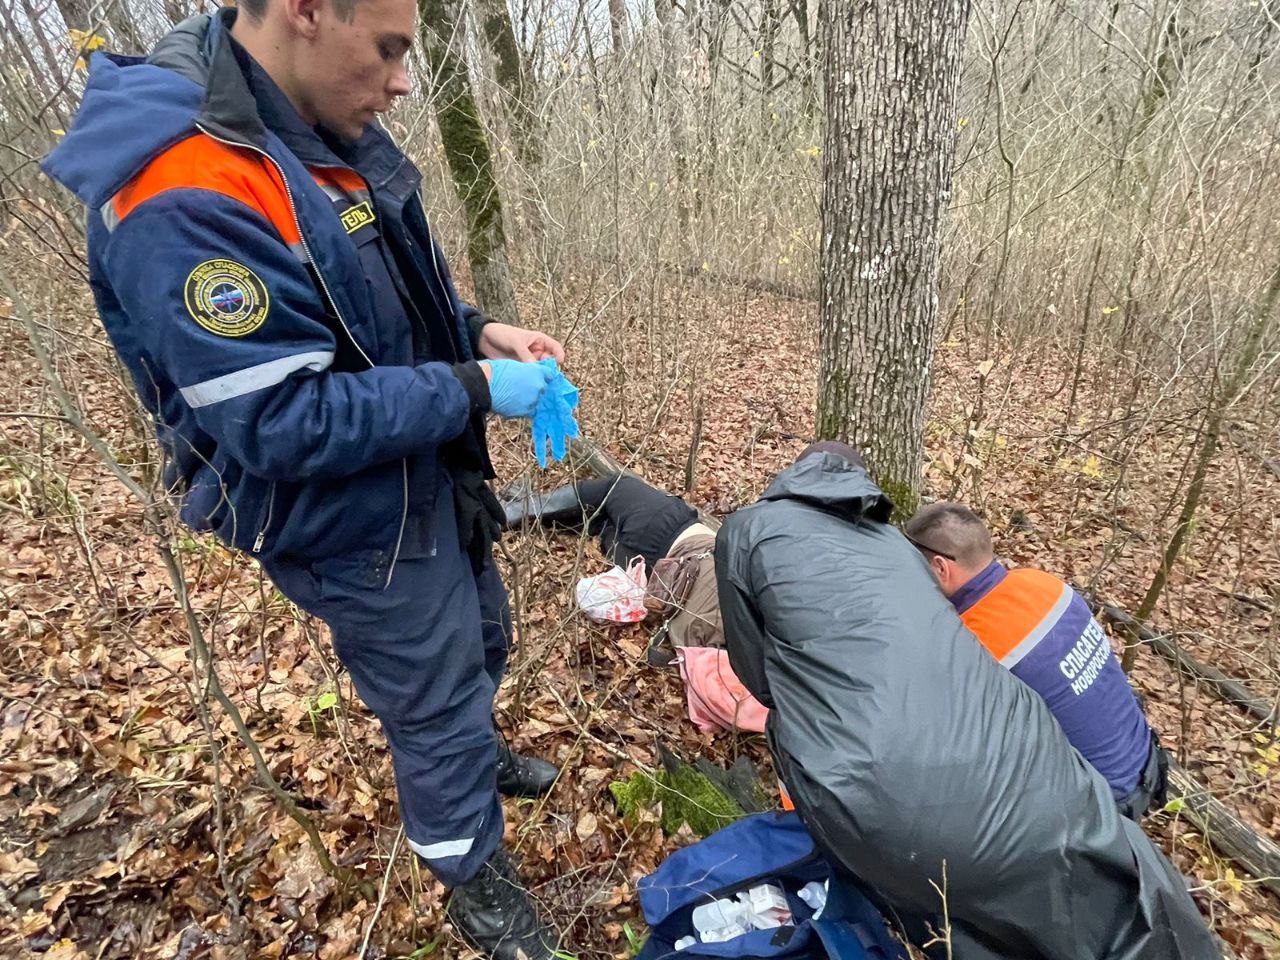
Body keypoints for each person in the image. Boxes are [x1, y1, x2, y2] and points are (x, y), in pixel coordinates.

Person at [42, 2, 568, 956]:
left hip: (419, 468)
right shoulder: (183, 183)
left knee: (482, 634)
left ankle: (474, 762)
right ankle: (471, 876)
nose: (404, 81)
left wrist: (476, 331)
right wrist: (477, 386)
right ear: (307, 11)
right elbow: (279, 422)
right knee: (434, 696)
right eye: (392, 49)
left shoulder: (310, 131)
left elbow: (387, 298)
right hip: (347, 516)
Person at [715, 441, 1218, 960]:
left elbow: (764, 680)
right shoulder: (1032, 582)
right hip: (1111, 782)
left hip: (1009, 804)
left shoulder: (748, 530)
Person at [904, 502, 1168, 821]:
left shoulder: (971, 642)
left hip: (1103, 808)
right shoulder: (1044, 584)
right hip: (1144, 759)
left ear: (940, 569)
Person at [503, 475, 768, 734]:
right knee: (602, 524)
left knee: (617, 488)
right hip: (647, 573)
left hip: (671, 536)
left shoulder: (738, 640)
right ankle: (526, 508)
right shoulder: (734, 661)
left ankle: (519, 509)